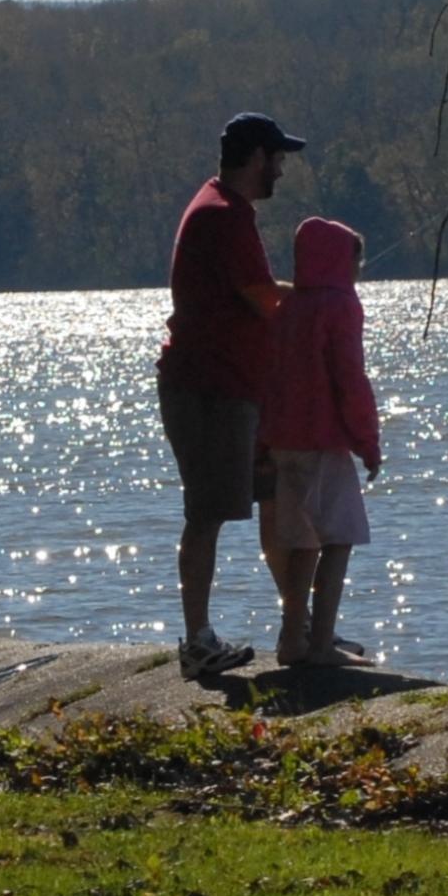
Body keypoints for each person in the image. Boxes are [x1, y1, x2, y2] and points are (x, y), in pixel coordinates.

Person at [154, 110, 304, 679]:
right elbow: (264, 300)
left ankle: (300, 627)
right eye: (277, 158)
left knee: (275, 503)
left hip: (238, 388)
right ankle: (197, 642)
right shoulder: (223, 216)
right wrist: (321, 297)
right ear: (255, 158)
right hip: (209, 391)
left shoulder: (226, 207)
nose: (282, 171)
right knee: (206, 514)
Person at [259, 214, 383, 667]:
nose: (358, 270)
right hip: (322, 442)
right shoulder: (341, 307)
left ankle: (292, 639)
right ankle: (322, 642)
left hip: (282, 442)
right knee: (339, 538)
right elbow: (350, 379)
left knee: (299, 543)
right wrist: (368, 442)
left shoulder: (288, 307)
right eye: (355, 261)